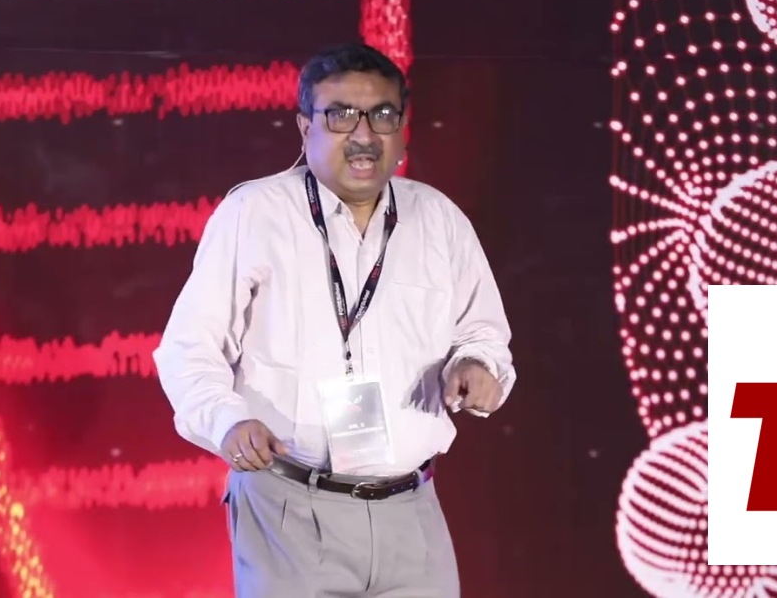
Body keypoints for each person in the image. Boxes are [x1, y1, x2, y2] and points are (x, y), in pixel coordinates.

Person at [152, 42, 517, 597]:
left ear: (402, 127)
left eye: (382, 115)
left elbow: (483, 332)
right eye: (341, 115)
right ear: (305, 128)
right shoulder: (255, 213)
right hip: (289, 510)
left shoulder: (438, 218)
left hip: (410, 512)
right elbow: (188, 348)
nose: (364, 134)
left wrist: (477, 364)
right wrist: (227, 422)